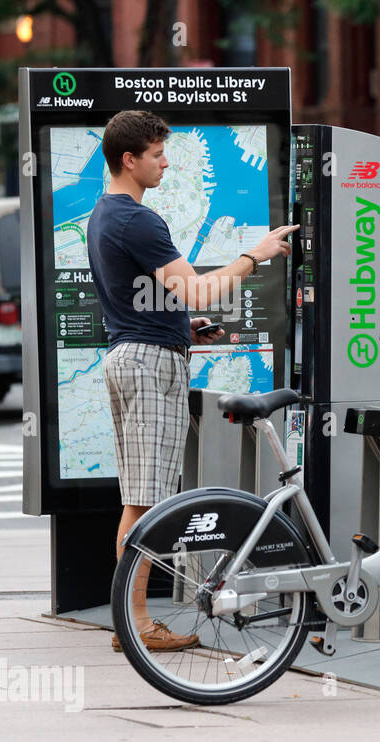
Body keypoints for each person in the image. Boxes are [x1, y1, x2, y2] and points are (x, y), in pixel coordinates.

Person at [87, 111, 296, 651]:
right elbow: (201, 291)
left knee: (139, 499)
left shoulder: (105, 214)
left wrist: (183, 327)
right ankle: (137, 625)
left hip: (132, 353)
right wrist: (256, 254)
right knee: (149, 502)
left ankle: (127, 622)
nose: (165, 162)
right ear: (129, 159)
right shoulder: (138, 220)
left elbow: (152, 298)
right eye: (157, 154)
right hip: (149, 363)